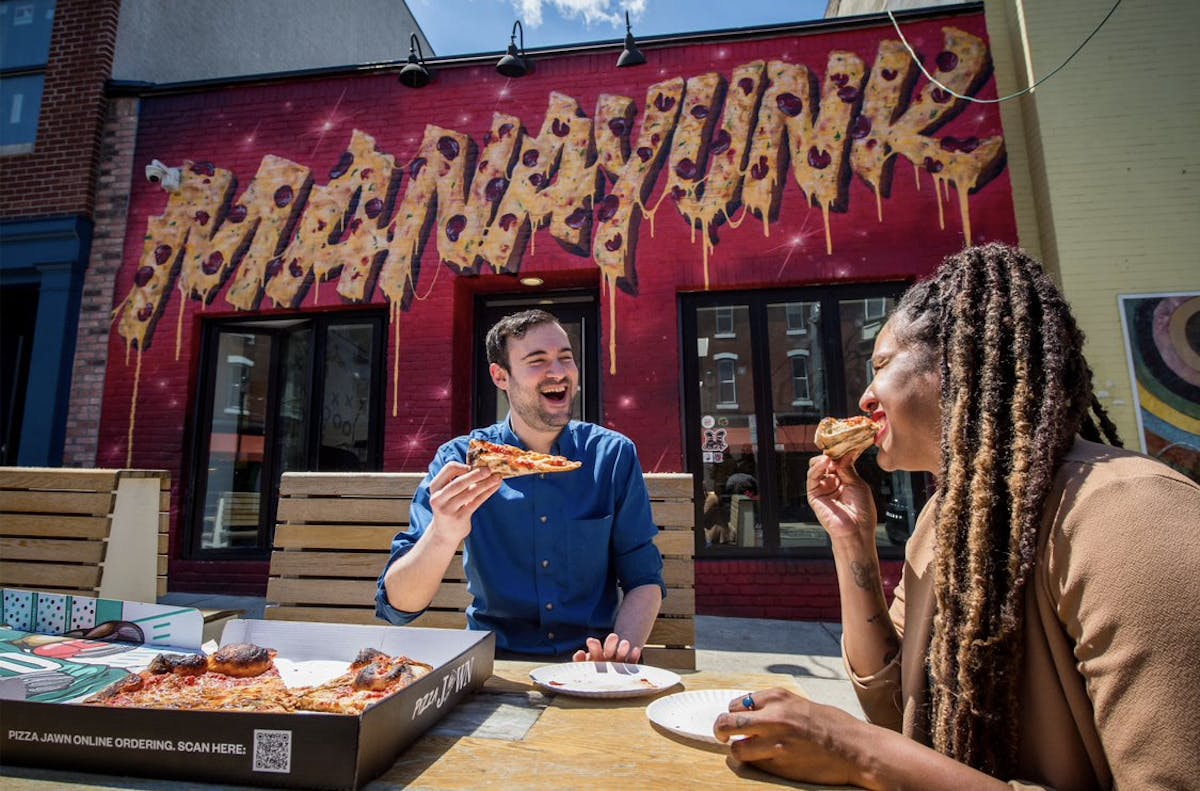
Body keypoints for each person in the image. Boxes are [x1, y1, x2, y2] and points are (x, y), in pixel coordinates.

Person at [714, 243, 1200, 789]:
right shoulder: (943, 520)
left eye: (881, 366)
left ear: (961, 364)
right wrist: (853, 542)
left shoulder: (1130, 513)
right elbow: (899, 711)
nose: (867, 397)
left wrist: (855, 751)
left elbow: (881, 747)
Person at [375, 309, 664, 662]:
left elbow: (644, 578)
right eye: (537, 360)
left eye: (565, 358)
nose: (558, 372)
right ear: (500, 376)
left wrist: (621, 651)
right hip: (494, 663)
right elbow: (398, 607)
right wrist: (443, 533)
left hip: (590, 668)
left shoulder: (612, 456)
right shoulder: (459, 463)